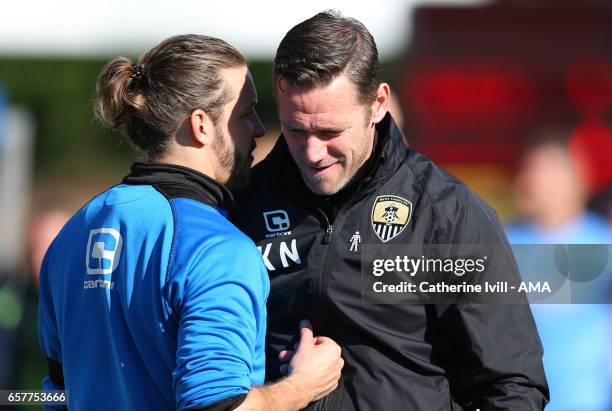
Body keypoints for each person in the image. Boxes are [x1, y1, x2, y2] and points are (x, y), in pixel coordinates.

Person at [230, 11, 549, 410]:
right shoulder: (243, 205)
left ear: (378, 103)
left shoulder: (444, 213)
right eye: (297, 129)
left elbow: (512, 386)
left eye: (330, 132)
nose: (312, 153)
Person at [38, 34, 343, 411]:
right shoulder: (216, 246)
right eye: (246, 113)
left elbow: (56, 392)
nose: (259, 130)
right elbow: (216, 406)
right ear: (201, 125)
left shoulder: (74, 232)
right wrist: (302, 386)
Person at [506, 135, 612, 411]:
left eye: (548, 172)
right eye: (531, 171)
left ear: (576, 180)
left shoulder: (603, 241)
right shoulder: (503, 244)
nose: (538, 182)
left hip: (588, 400)